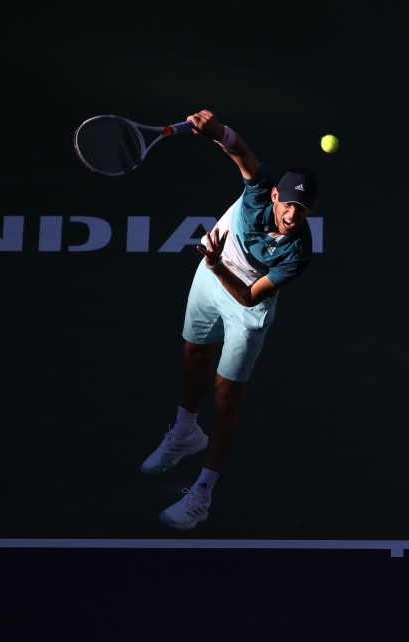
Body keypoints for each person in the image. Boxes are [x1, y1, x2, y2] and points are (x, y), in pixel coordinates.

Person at [140, 109, 317, 530]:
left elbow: (249, 296)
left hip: (244, 303)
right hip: (211, 275)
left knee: (226, 396)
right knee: (194, 355)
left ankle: (202, 495)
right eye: (288, 203)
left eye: (302, 209)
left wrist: (218, 264)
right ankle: (186, 433)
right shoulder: (257, 191)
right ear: (274, 196)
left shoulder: (298, 253)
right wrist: (217, 131)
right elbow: (242, 153)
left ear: (311, 210)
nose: (292, 215)